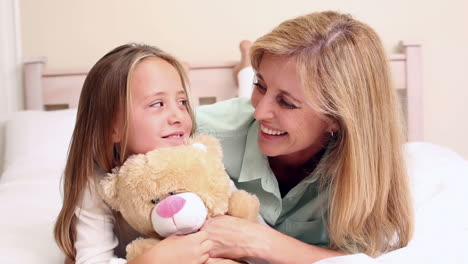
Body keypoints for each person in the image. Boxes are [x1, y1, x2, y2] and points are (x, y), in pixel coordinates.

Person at [197, 11, 413, 263]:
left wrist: (260, 240)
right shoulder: (204, 130)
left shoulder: (365, 173)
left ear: (336, 118)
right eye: (261, 84)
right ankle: (247, 71)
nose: (259, 111)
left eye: (287, 102)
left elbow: (366, 257)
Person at [53, 43, 215, 264]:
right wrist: (154, 260)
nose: (178, 116)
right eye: (158, 103)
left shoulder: (201, 160)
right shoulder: (94, 182)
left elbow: (244, 228)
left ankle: (244, 70)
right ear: (112, 127)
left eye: (182, 102)